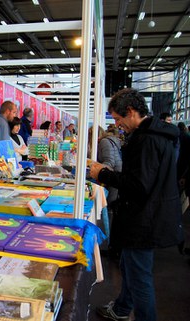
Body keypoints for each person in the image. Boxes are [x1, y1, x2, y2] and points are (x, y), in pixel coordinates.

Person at [89, 88, 183, 321]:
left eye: (119, 119)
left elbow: (138, 185)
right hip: (147, 216)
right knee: (131, 268)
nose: (118, 125)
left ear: (131, 112)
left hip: (143, 219)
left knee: (139, 277)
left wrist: (103, 174)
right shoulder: (160, 136)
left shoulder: (147, 140)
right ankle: (121, 308)